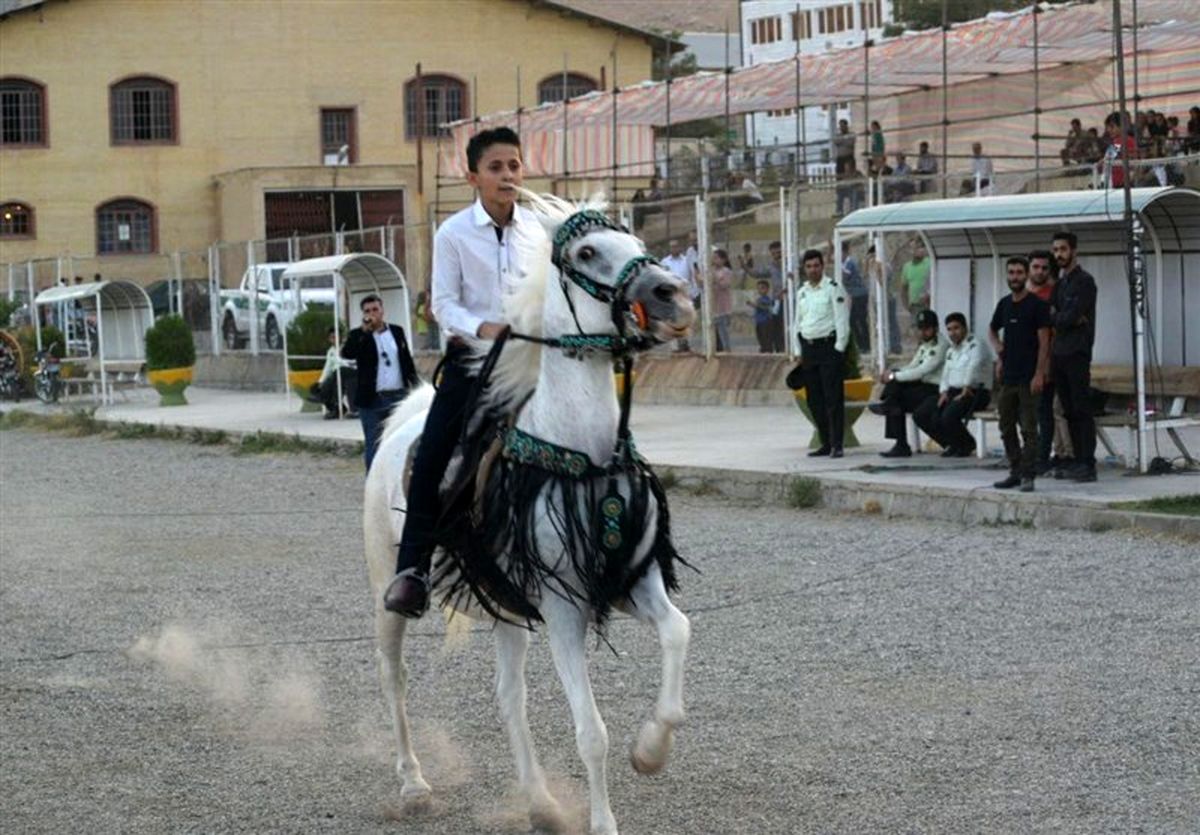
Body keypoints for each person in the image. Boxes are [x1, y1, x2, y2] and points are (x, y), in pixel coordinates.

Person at [384, 126, 544, 617]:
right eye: (496, 167)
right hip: (472, 365)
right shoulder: (452, 233)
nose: (507, 175)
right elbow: (442, 305)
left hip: (529, 365)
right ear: (472, 176)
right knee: (432, 457)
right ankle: (413, 572)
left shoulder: (538, 232)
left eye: (514, 165)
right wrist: (484, 327)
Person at [987, 257, 1051, 492]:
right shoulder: (1004, 304)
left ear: (1026, 276)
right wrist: (999, 352)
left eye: (1019, 273)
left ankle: (1028, 474)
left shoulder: (1037, 305)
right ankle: (1015, 470)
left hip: (1028, 377)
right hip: (1008, 378)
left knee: (1029, 428)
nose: (1015, 277)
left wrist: (1039, 373)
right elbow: (992, 330)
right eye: (1011, 273)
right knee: (1005, 426)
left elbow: (1045, 342)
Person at [341, 294, 419, 469]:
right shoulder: (358, 334)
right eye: (367, 311)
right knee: (374, 444)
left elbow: (406, 361)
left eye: (375, 309)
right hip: (373, 398)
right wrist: (364, 331)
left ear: (382, 310)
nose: (372, 314)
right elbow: (347, 353)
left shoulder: (397, 331)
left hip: (398, 395)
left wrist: (414, 387)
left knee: (400, 441)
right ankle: (373, 484)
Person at [1049, 230, 1098, 482]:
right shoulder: (1060, 284)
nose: (1059, 254)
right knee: (1067, 410)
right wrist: (1064, 318)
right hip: (1059, 353)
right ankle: (1077, 460)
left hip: (1077, 352)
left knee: (1081, 408)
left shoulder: (1084, 282)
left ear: (1074, 251)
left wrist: (1065, 318)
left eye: (1063, 249)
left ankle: (1087, 463)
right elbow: (1055, 316)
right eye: (1056, 250)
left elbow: (1067, 316)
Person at [793, 248, 850, 458]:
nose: (813, 270)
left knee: (833, 398)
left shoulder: (833, 288)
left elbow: (842, 320)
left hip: (828, 347)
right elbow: (797, 323)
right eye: (808, 266)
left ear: (822, 266)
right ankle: (825, 442)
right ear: (804, 269)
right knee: (814, 400)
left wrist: (839, 348)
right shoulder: (802, 292)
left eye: (816, 265)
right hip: (809, 349)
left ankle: (837, 444)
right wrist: (798, 349)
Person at [913, 312, 991, 457]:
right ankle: (951, 443)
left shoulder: (976, 344)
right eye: (949, 329)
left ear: (965, 328)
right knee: (922, 414)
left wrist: (966, 387)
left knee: (948, 415)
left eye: (956, 328)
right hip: (953, 391)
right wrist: (943, 392)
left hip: (974, 392)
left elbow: (973, 366)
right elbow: (946, 374)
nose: (952, 333)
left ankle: (966, 444)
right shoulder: (951, 350)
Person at [872, 309, 947, 458]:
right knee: (896, 395)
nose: (923, 332)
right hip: (923, 387)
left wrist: (894, 376)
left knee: (895, 392)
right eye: (920, 328)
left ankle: (887, 404)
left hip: (936, 389)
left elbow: (922, 371)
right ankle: (900, 443)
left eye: (927, 328)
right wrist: (893, 373)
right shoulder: (925, 345)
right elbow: (912, 366)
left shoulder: (940, 346)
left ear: (935, 328)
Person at [1027, 249, 1058, 474]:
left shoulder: (1053, 294)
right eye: (1036, 267)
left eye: (1044, 268)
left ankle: (1042, 458)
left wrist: (1044, 366)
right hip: (1021, 362)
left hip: (1044, 361)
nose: (1039, 272)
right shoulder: (1021, 294)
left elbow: (1049, 334)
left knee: (1043, 411)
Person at [309, 327, 358, 419]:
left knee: (338, 373)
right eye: (332, 337)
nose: (335, 339)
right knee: (321, 385)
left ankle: (333, 406)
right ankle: (336, 408)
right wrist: (320, 381)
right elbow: (327, 368)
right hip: (337, 376)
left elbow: (352, 362)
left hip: (351, 371)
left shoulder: (348, 346)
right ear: (329, 339)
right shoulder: (331, 351)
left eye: (336, 336)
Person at [865, 244, 901, 354]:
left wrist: (878, 270)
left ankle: (895, 345)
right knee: (879, 322)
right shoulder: (871, 268)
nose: (872, 259)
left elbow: (883, 284)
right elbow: (866, 277)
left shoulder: (886, 266)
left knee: (891, 322)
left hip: (887, 299)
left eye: (873, 256)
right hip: (876, 300)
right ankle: (882, 345)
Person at [662, 238, 693, 353]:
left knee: (686, 320)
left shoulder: (686, 261)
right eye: (672, 246)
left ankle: (685, 344)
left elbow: (691, 276)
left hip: (684, 294)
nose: (674, 249)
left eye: (676, 246)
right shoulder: (665, 262)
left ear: (680, 248)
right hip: (671, 295)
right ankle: (674, 347)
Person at [841, 241, 869, 353]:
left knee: (860, 320)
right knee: (853, 320)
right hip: (855, 295)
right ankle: (861, 344)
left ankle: (866, 345)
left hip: (860, 294)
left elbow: (845, 277)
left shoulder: (850, 263)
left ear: (845, 252)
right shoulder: (844, 263)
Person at [710, 248, 734, 352]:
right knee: (713, 332)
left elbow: (724, 285)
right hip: (713, 306)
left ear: (723, 260)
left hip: (723, 307)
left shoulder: (726, 271)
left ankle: (727, 350)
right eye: (713, 258)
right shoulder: (711, 271)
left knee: (723, 331)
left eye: (716, 258)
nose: (714, 260)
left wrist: (714, 278)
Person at [900, 239, 931, 316]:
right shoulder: (907, 267)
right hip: (915, 306)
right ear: (910, 251)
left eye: (921, 247)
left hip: (930, 304)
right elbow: (904, 288)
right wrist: (906, 306)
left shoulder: (930, 262)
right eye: (916, 248)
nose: (920, 250)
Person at [747, 278, 777, 353]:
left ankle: (768, 350)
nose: (760, 290)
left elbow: (764, 307)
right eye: (759, 288)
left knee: (766, 338)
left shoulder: (767, 299)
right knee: (760, 337)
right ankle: (763, 349)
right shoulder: (759, 299)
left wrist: (753, 305)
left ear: (767, 289)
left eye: (762, 288)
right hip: (759, 322)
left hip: (766, 322)